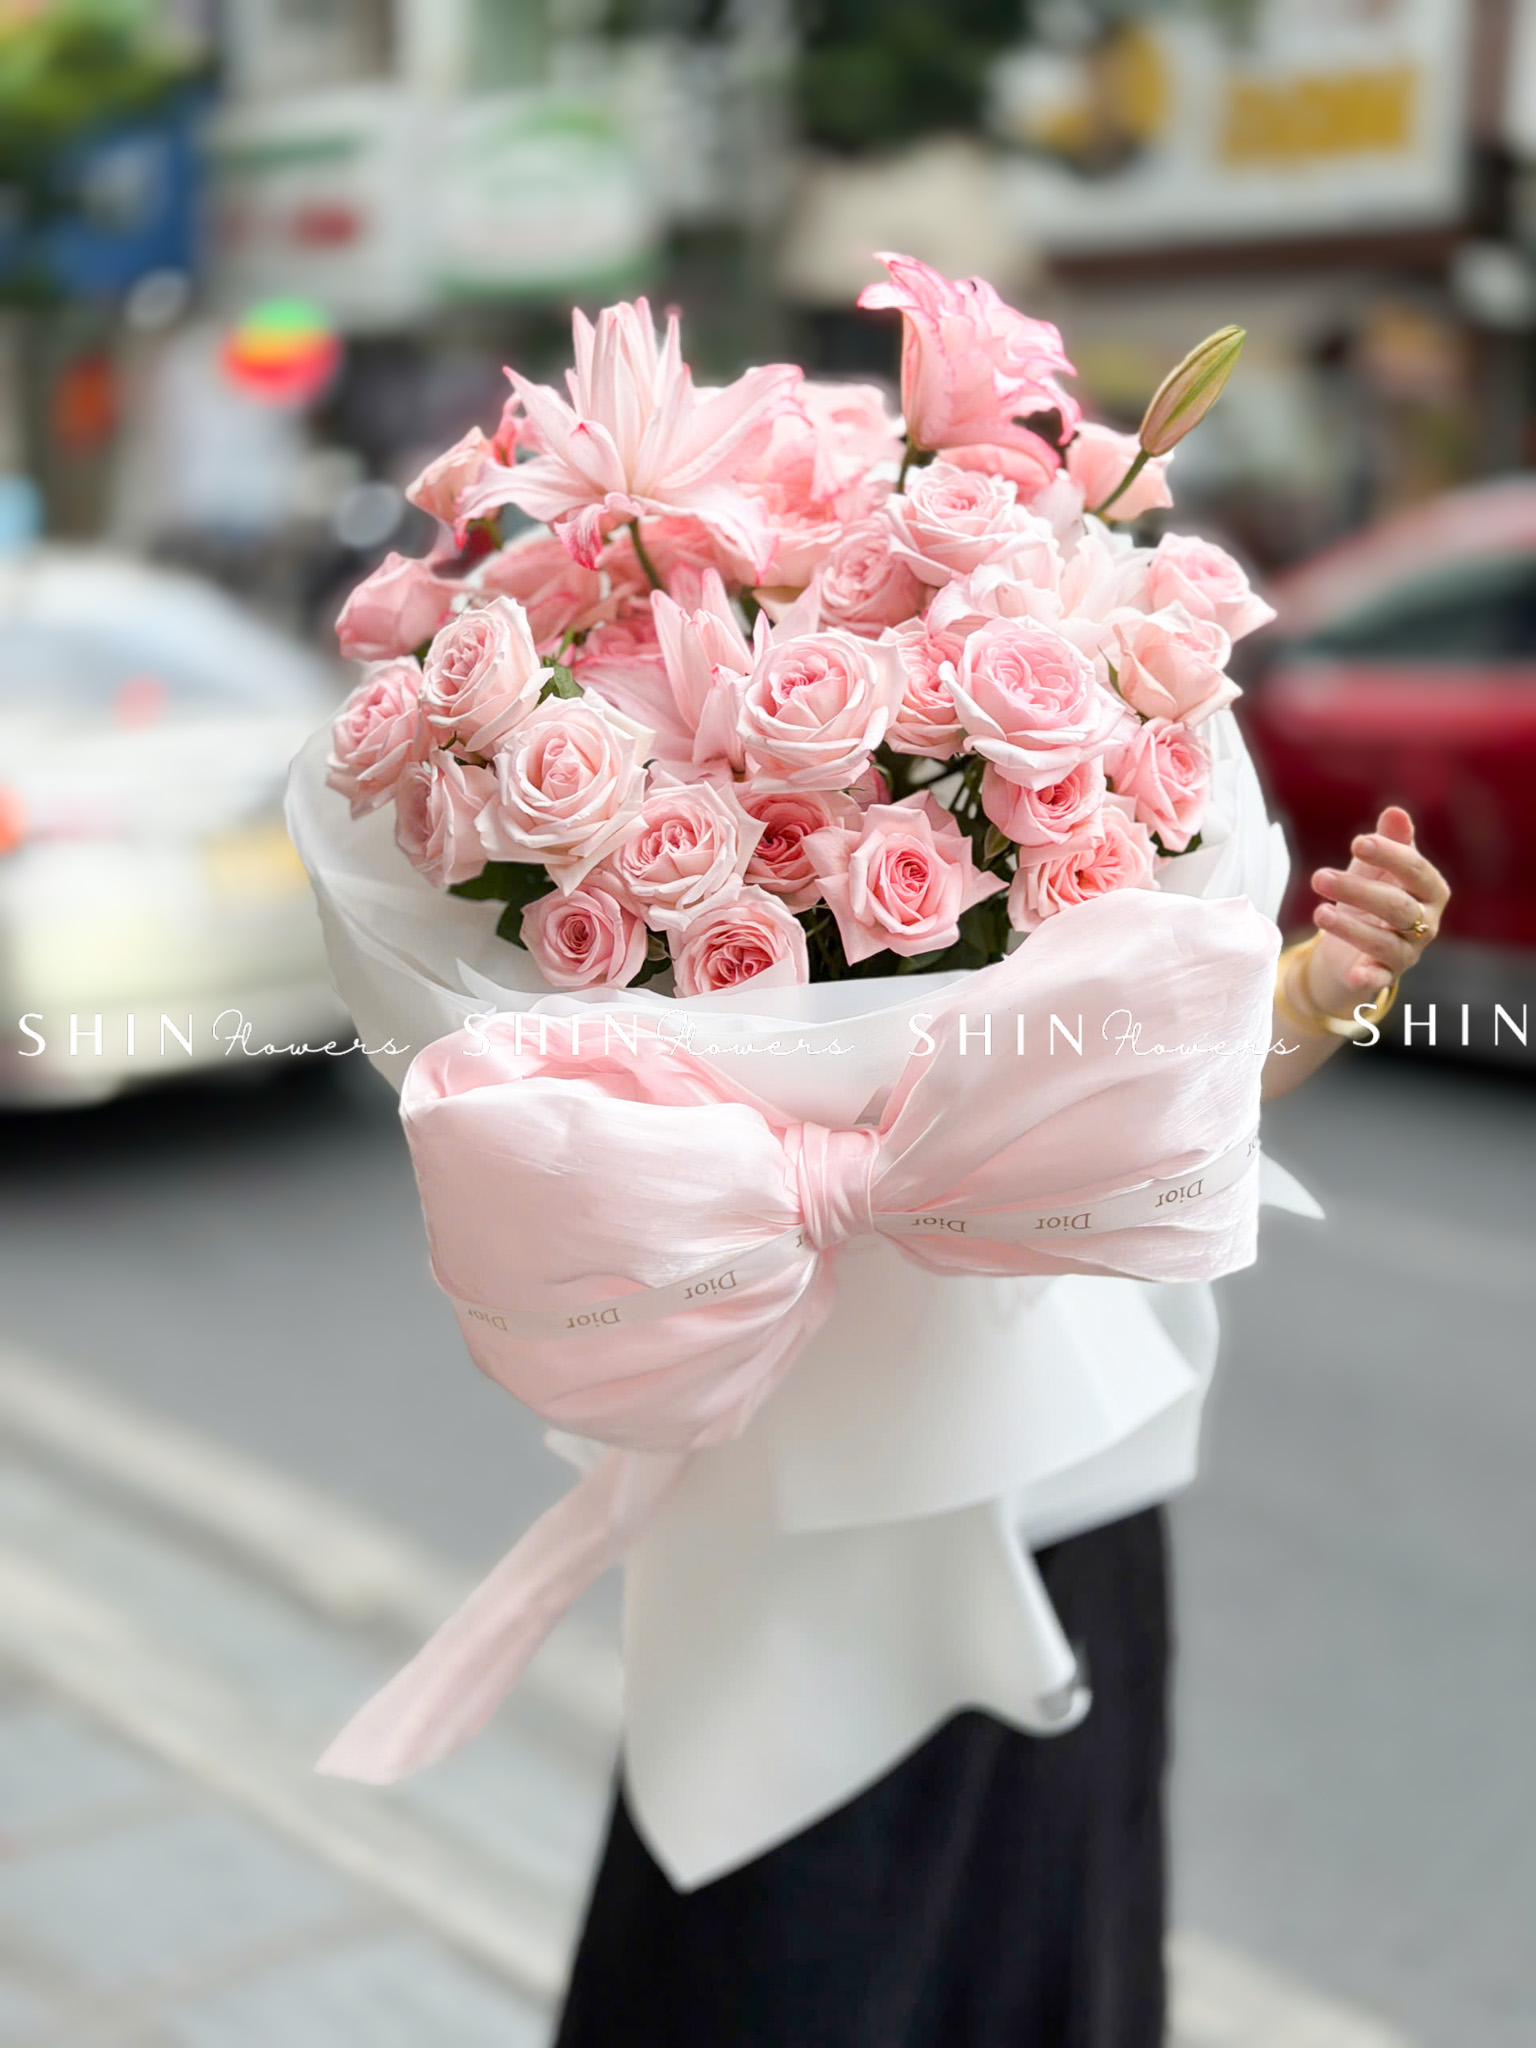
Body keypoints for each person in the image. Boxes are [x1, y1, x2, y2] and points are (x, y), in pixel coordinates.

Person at [552, 803, 1450, 2048]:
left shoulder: (1113, 717)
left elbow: (1183, 1081)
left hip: (1057, 1481)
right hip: (801, 1494)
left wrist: (1325, 985)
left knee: (1039, 1930)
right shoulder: (675, 748)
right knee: (767, 1941)